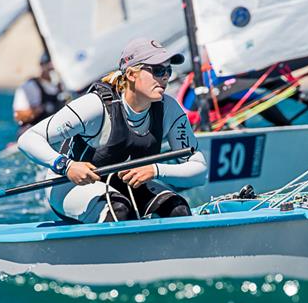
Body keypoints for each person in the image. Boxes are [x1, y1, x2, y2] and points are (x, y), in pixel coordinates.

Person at [18, 38, 208, 224]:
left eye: (168, 70)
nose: (166, 77)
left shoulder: (169, 109)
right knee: (119, 211)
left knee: (178, 209)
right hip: (70, 185)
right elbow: (29, 139)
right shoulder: (94, 106)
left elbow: (200, 171)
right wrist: (66, 166)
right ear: (132, 75)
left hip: (123, 186)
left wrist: (156, 170)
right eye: (157, 70)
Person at [13, 52, 66, 136]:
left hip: (57, 133)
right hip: (35, 133)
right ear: (42, 66)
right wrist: (38, 110)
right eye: (49, 67)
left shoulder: (65, 86)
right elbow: (18, 116)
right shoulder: (30, 86)